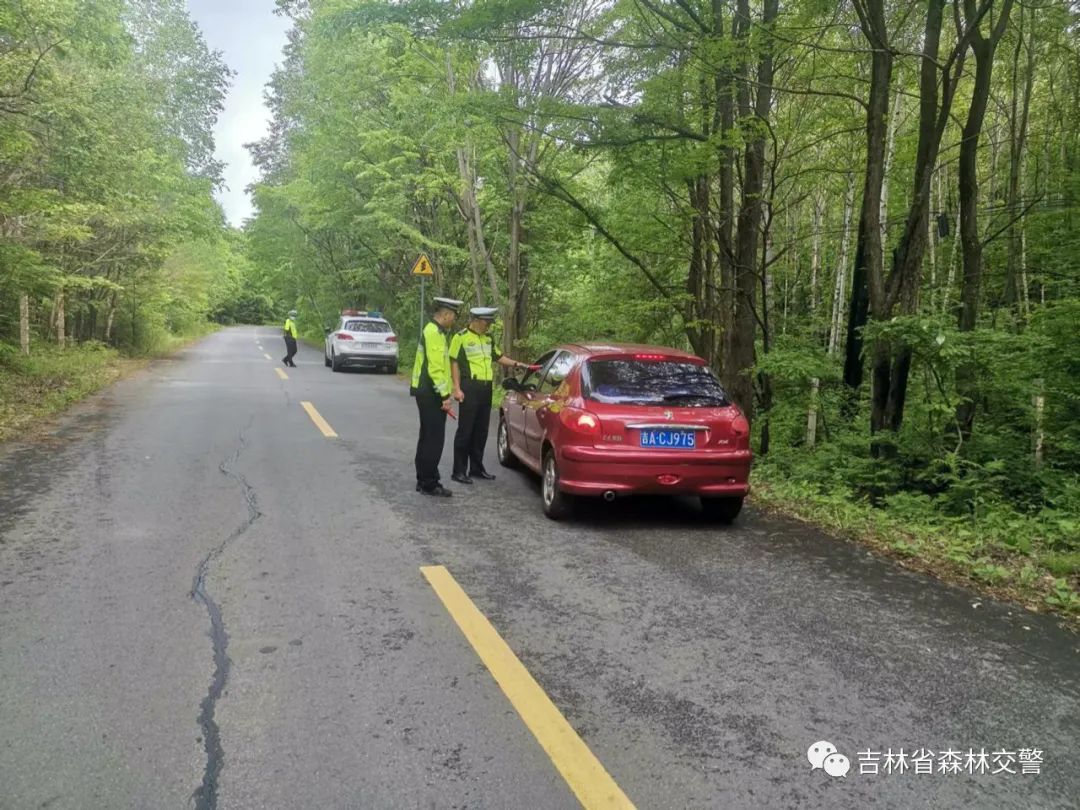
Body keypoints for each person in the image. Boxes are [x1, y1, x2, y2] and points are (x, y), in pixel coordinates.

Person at [449, 307, 535, 484]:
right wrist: (456, 388)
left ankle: (476, 467)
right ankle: (458, 470)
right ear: (477, 320)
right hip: (470, 386)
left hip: (485, 388)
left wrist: (519, 364)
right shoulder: (461, 337)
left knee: (481, 430)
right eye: (486, 323)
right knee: (466, 430)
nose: (488, 326)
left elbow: (498, 356)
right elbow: (454, 362)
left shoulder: (488, 338)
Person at [410, 297, 463, 497]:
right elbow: (435, 368)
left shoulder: (437, 332)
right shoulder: (433, 332)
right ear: (446, 315)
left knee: (426, 437)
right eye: (453, 317)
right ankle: (429, 483)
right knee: (434, 439)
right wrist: (444, 396)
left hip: (426, 391)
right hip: (430, 392)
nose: (454, 321)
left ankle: (423, 479)